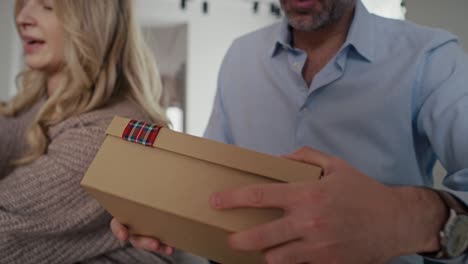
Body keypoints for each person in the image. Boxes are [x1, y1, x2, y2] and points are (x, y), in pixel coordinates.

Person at [111, 0, 468, 263]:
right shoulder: (240, 56)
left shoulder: (431, 57)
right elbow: (212, 191)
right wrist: (165, 216)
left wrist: (407, 219)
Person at [0, 0, 208, 263]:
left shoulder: (107, 134)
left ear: (92, 25)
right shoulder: (34, 103)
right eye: (24, 2)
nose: (22, 17)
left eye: (46, 6)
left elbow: (7, 235)